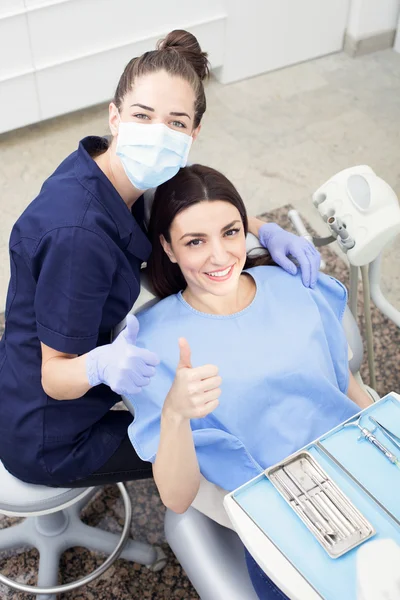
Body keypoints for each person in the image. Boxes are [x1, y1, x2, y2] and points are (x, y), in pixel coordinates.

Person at [0, 30, 320, 488]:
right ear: (115, 116)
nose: (156, 135)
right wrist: (100, 366)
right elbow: (54, 377)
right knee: (209, 437)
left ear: (193, 133)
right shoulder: (79, 236)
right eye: (142, 116)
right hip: (48, 434)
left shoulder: (108, 168)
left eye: (175, 123)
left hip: (16, 374)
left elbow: (186, 205)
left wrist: (261, 227)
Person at [125, 164, 373, 599]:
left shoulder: (293, 283)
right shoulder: (153, 344)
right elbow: (178, 498)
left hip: (355, 470)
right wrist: (175, 414)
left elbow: (345, 382)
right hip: (279, 516)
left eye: (231, 232)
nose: (220, 256)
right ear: (166, 247)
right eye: (195, 242)